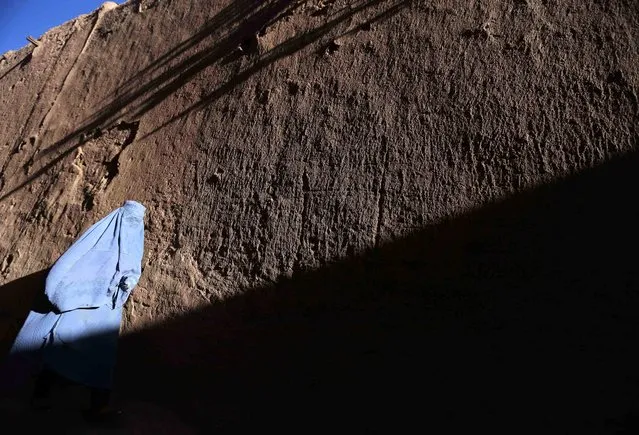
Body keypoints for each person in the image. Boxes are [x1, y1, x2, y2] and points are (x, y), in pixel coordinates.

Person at [7, 200, 146, 422]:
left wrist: (124, 284)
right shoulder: (100, 239)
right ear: (119, 219)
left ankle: (98, 407)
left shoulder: (132, 240)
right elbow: (69, 267)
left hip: (104, 314)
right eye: (130, 220)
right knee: (58, 351)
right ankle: (41, 397)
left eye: (137, 221)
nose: (133, 225)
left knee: (101, 361)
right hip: (77, 307)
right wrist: (68, 293)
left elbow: (129, 270)